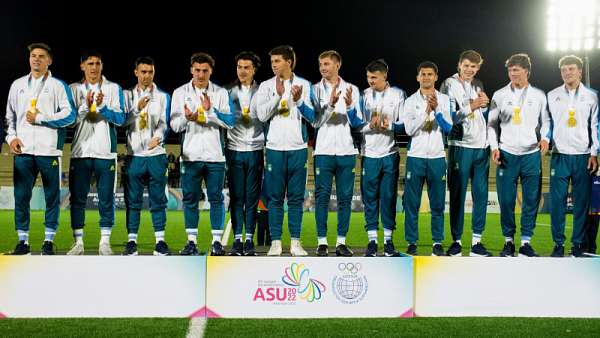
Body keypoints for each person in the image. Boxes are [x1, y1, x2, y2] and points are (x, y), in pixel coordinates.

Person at [6, 42, 76, 255]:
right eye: (33, 56)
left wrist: (41, 118)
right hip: (23, 151)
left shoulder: (58, 86)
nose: (36, 59)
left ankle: (48, 241)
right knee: (21, 196)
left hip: (49, 152)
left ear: (49, 60)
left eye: (41, 56)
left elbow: (70, 116)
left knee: (52, 197)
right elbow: (10, 118)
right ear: (29, 59)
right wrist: (12, 138)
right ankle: (23, 241)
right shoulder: (17, 85)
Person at [170, 52, 235, 256]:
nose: (200, 74)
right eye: (197, 70)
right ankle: (191, 242)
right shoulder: (180, 92)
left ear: (211, 71)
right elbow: (174, 125)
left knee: (216, 198)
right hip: (190, 156)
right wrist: (187, 118)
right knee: (190, 199)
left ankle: (216, 242)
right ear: (191, 70)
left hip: (215, 155)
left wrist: (210, 111)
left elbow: (230, 122)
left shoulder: (221, 93)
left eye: (204, 71)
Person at [487, 53, 551, 257]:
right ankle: (508, 241)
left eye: (516, 70)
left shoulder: (539, 95)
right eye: (510, 70)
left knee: (531, 199)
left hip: (531, 153)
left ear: (527, 71)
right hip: (507, 153)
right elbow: (491, 125)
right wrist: (494, 147)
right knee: (506, 200)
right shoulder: (499, 95)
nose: (512, 73)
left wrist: (545, 139)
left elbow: (547, 122)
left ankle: (525, 243)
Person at [256, 45, 315, 256]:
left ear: (289, 62)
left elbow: (313, 117)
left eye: (277, 61)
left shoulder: (305, 85)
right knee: (275, 198)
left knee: (296, 198)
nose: (273, 65)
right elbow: (261, 116)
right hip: (273, 148)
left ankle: (296, 242)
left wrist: (298, 101)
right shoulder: (265, 86)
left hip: (298, 147)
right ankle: (275, 242)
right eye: (272, 62)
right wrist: (276, 96)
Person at [67, 50, 127, 255]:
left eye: (98, 63)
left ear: (102, 66)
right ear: (82, 66)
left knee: (106, 198)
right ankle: (78, 243)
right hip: (80, 152)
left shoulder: (113, 88)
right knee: (77, 199)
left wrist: (102, 106)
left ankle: (104, 242)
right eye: (90, 63)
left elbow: (120, 119)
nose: (94, 67)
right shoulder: (73, 89)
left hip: (105, 153)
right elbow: (69, 121)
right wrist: (85, 106)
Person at [440, 50, 493, 257]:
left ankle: (477, 242)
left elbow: (482, 114)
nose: (470, 70)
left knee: (481, 195)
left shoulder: (478, 83)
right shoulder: (448, 84)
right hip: (460, 146)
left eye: (474, 66)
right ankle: (457, 241)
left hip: (481, 147)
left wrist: (484, 106)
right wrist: (473, 105)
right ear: (459, 65)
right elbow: (448, 117)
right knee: (458, 195)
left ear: (478, 68)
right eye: (467, 65)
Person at [311, 50, 363, 257]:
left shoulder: (353, 89)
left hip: (346, 151)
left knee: (344, 198)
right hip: (322, 150)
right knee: (321, 197)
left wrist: (350, 107)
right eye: (320, 64)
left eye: (326, 64)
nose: (323, 67)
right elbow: (314, 120)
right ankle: (321, 242)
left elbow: (358, 122)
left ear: (337, 65)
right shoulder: (314, 90)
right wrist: (329, 105)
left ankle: (341, 242)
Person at [546, 55, 598, 257]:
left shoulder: (592, 96)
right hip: (559, 155)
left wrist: (594, 153)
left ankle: (578, 244)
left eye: (571, 69)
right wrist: (545, 138)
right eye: (564, 70)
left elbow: (594, 126)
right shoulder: (552, 95)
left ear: (580, 71)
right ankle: (558, 244)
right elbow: (548, 123)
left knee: (581, 204)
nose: (567, 73)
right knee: (557, 203)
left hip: (583, 155)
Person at [122, 56, 172, 256]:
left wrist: (158, 137)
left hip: (156, 155)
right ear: (136, 72)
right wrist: (137, 109)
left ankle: (160, 241)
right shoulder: (126, 96)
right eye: (143, 72)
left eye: (150, 72)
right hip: (134, 154)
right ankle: (131, 241)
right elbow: (121, 121)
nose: (147, 76)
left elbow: (164, 123)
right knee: (132, 201)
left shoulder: (162, 96)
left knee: (158, 201)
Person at [403, 61, 453, 256]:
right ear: (417, 77)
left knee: (438, 204)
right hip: (415, 157)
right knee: (412, 204)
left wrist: (437, 109)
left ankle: (437, 242)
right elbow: (409, 130)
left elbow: (448, 128)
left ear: (435, 77)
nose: (426, 77)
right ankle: (411, 242)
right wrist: (426, 112)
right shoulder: (410, 101)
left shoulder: (445, 99)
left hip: (437, 157)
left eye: (430, 74)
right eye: (422, 74)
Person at [359, 59, 405, 257]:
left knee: (388, 197)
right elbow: (355, 125)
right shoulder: (363, 95)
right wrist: (370, 125)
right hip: (369, 154)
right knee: (370, 199)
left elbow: (405, 124)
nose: (370, 81)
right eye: (368, 77)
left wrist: (391, 126)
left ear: (384, 76)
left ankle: (388, 241)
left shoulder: (398, 94)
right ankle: (371, 241)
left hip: (389, 153)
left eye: (374, 77)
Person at [225, 51, 264, 256]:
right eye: (239, 67)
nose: (242, 71)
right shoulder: (227, 91)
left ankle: (249, 238)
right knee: (237, 196)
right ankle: (237, 239)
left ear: (254, 69)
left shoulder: (263, 90)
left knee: (252, 197)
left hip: (256, 149)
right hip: (234, 149)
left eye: (246, 67)